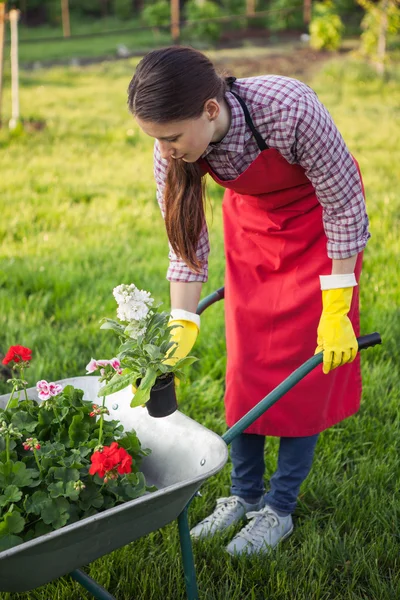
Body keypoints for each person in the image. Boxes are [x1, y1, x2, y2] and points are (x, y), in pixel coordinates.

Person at [127, 46, 370, 556]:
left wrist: (337, 305)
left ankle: (278, 509)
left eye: (172, 137)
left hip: (319, 231)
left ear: (210, 110)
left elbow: (345, 203)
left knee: (303, 374)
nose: (165, 149)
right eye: (156, 139)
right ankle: (242, 495)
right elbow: (186, 240)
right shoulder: (173, 150)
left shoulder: (288, 107)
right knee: (247, 371)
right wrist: (181, 320)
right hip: (255, 233)